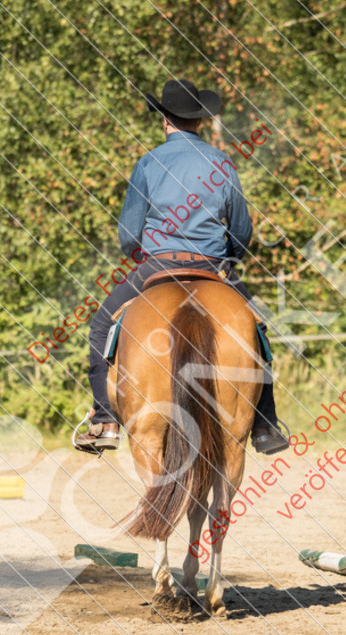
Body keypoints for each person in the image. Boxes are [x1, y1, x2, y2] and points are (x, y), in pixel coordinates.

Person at [74, 78, 288, 455]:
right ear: (200, 121)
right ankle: (265, 424)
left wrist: (141, 251)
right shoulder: (222, 163)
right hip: (213, 265)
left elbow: (128, 234)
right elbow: (241, 231)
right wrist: (226, 261)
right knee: (257, 329)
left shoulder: (148, 162)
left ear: (165, 120)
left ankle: (105, 420)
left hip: (157, 264)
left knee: (99, 327)